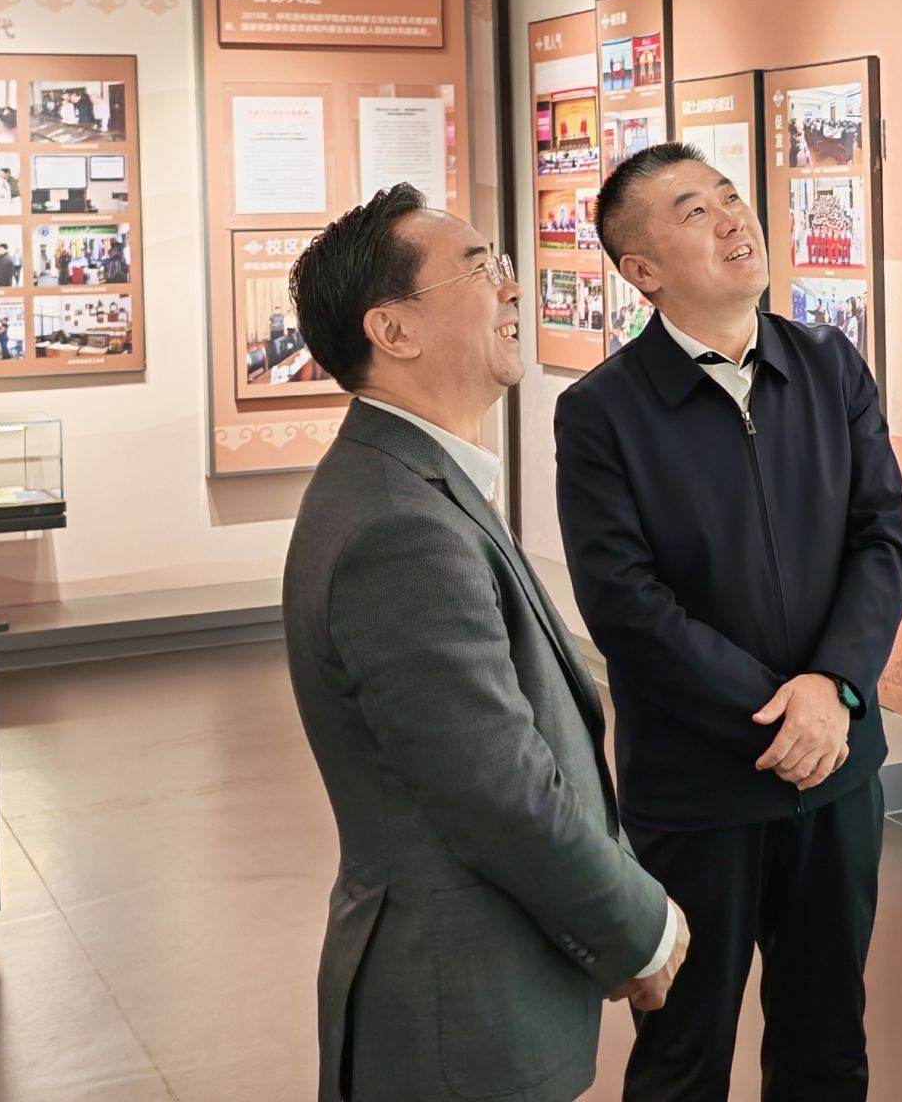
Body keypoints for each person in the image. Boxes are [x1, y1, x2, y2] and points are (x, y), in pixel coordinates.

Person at [280, 185, 686, 1102]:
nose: (512, 287)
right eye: (479, 271)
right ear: (393, 331)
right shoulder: (399, 526)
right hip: (455, 1021)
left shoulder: (411, 483)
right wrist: (641, 925)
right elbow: (498, 788)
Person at [554, 142, 902, 1101]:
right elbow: (626, 607)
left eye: (728, 197)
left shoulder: (829, 366)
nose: (731, 219)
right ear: (641, 270)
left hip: (835, 773)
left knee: (828, 1046)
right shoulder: (601, 413)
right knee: (683, 1058)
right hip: (700, 791)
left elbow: (882, 541)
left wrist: (833, 692)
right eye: (692, 212)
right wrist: (779, 713)